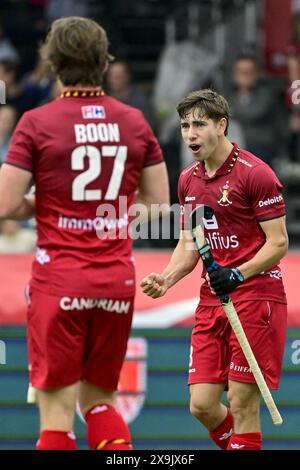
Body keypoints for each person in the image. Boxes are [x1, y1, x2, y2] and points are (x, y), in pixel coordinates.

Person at [0, 16, 169, 450]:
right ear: (104, 61)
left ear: (52, 63)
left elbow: (5, 204)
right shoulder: (133, 121)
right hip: (115, 278)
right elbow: (158, 205)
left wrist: (54, 205)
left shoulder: (36, 123)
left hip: (59, 281)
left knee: (56, 417)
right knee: (100, 400)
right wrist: (102, 214)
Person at [141, 89, 288, 451]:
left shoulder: (257, 174)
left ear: (221, 126)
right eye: (185, 126)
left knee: (241, 403)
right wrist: (167, 277)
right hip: (212, 301)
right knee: (203, 405)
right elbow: (189, 244)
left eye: (199, 124)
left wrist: (239, 273)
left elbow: (279, 242)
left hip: (256, 297)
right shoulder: (187, 179)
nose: (190, 133)